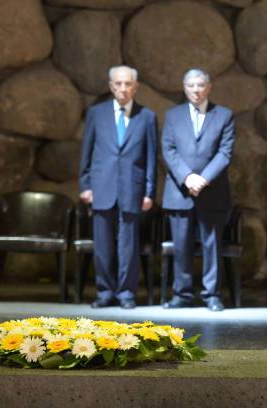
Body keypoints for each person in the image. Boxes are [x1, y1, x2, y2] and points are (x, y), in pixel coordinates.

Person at [79, 65, 157, 309]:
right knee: (102, 244)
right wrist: (85, 184)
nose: (123, 88)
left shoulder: (147, 116)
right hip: (102, 188)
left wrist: (149, 191)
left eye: (128, 84)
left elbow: (152, 157)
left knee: (128, 246)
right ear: (111, 86)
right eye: (118, 84)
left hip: (132, 189)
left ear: (135, 87)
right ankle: (104, 291)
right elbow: (87, 152)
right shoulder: (96, 113)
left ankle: (126, 293)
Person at [161, 68, 234, 312]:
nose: (196, 90)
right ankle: (181, 294)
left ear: (208, 87)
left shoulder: (224, 115)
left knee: (211, 245)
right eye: (191, 85)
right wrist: (187, 177)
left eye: (200, 85)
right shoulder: (172, 116)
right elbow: (168, 149)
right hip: (180, 192)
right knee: (180, 245)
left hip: (211, 192)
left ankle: (211, 294)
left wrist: (202, 179)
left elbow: (225, 152)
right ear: (184, 87)